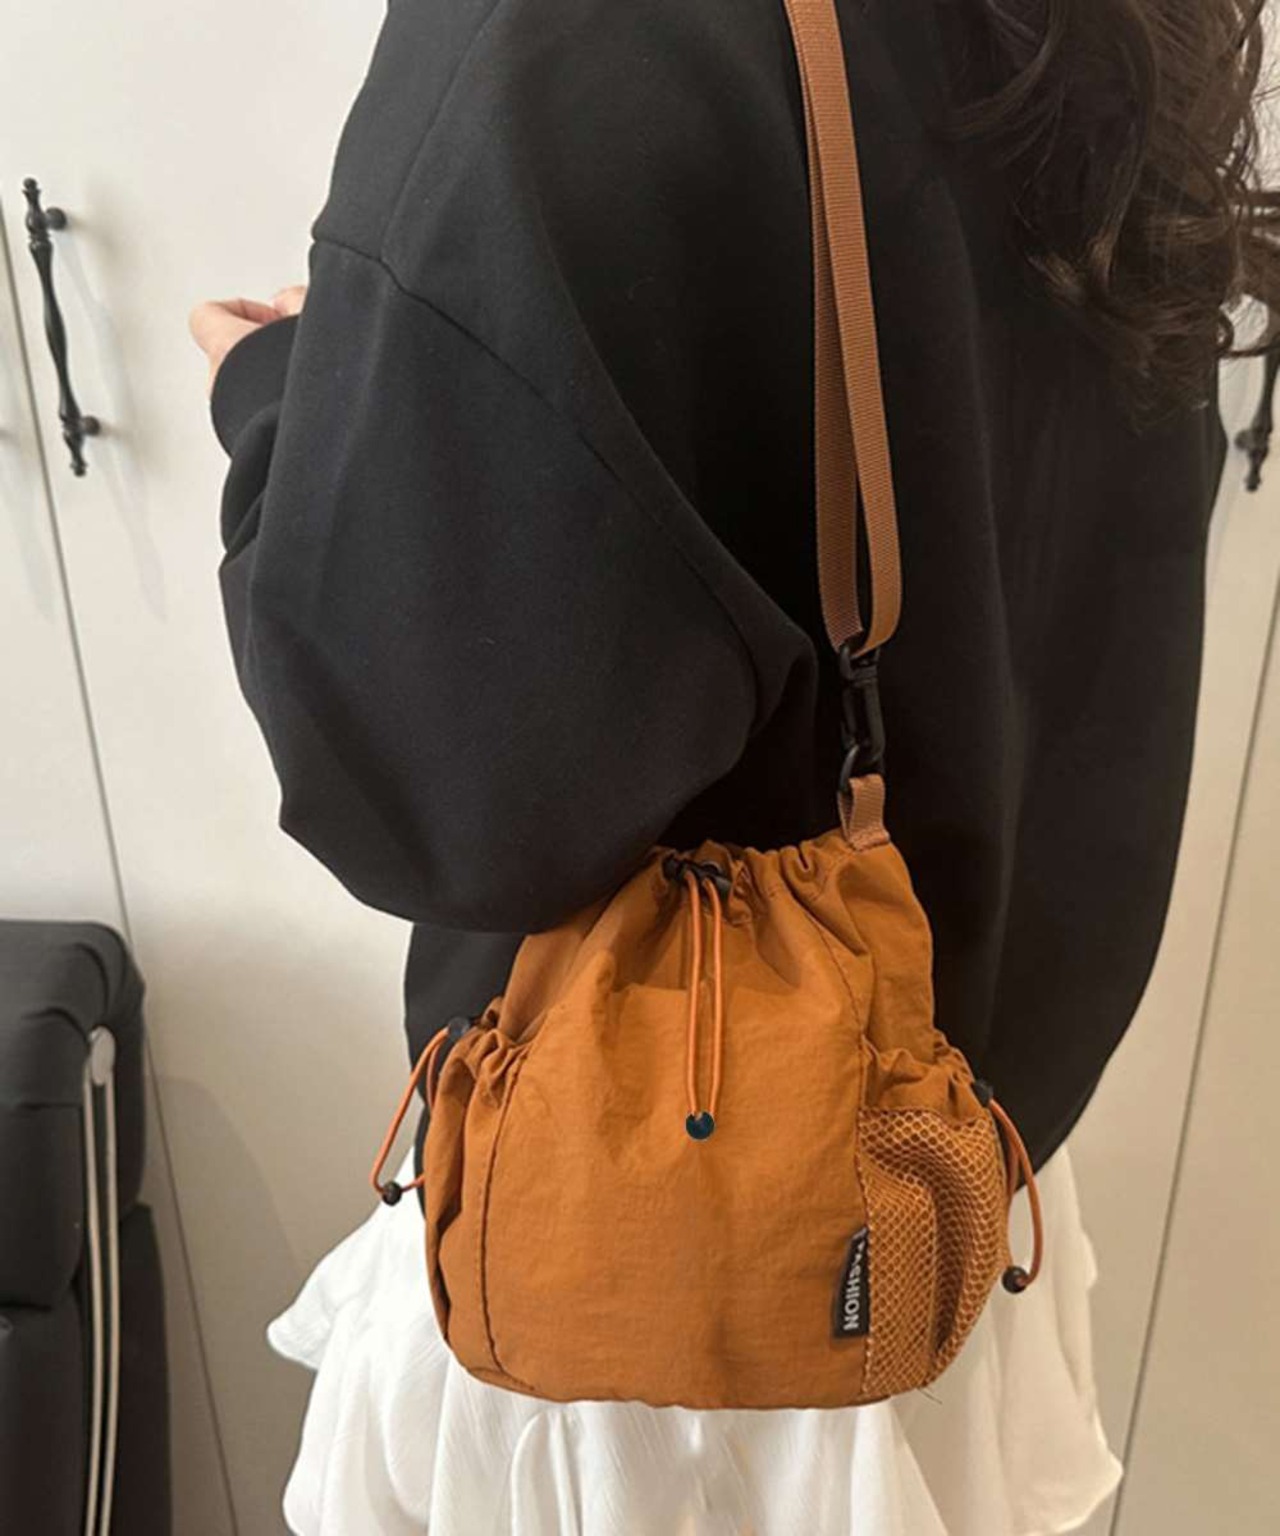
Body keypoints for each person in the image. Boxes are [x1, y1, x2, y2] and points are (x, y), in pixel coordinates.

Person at [189, 0, 1276, 1531]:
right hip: (952, 1154)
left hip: (667, 1242)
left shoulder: (556, 31)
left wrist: (279, 391)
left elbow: (431, 770)